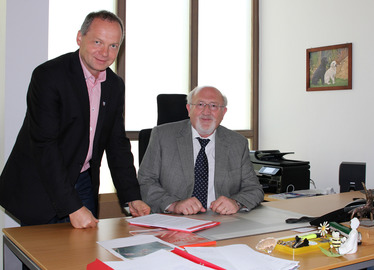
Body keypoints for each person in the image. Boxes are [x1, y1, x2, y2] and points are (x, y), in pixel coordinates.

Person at [0, 10, 150, 229]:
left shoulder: (114, 85)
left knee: (81, 257)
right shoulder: (49, 76)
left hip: (83, 180)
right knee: (42, 259)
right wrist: (72, 207)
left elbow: (117, 143)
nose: (104, 52)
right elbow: (45, 146)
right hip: (42, 182)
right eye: (98, 41)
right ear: (80, 37)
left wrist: (131, 196)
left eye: (113, 45)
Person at [138, 86, 264, 215]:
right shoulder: (162, 136)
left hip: (223, 221)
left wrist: (236, 202)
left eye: (214, 106)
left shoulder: (237, 143)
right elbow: (146, 181)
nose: (206, 111)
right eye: (200, 104)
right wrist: (173, 205)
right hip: (175, 219)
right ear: (189, 109)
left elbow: (254, 189)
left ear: (223, 112)